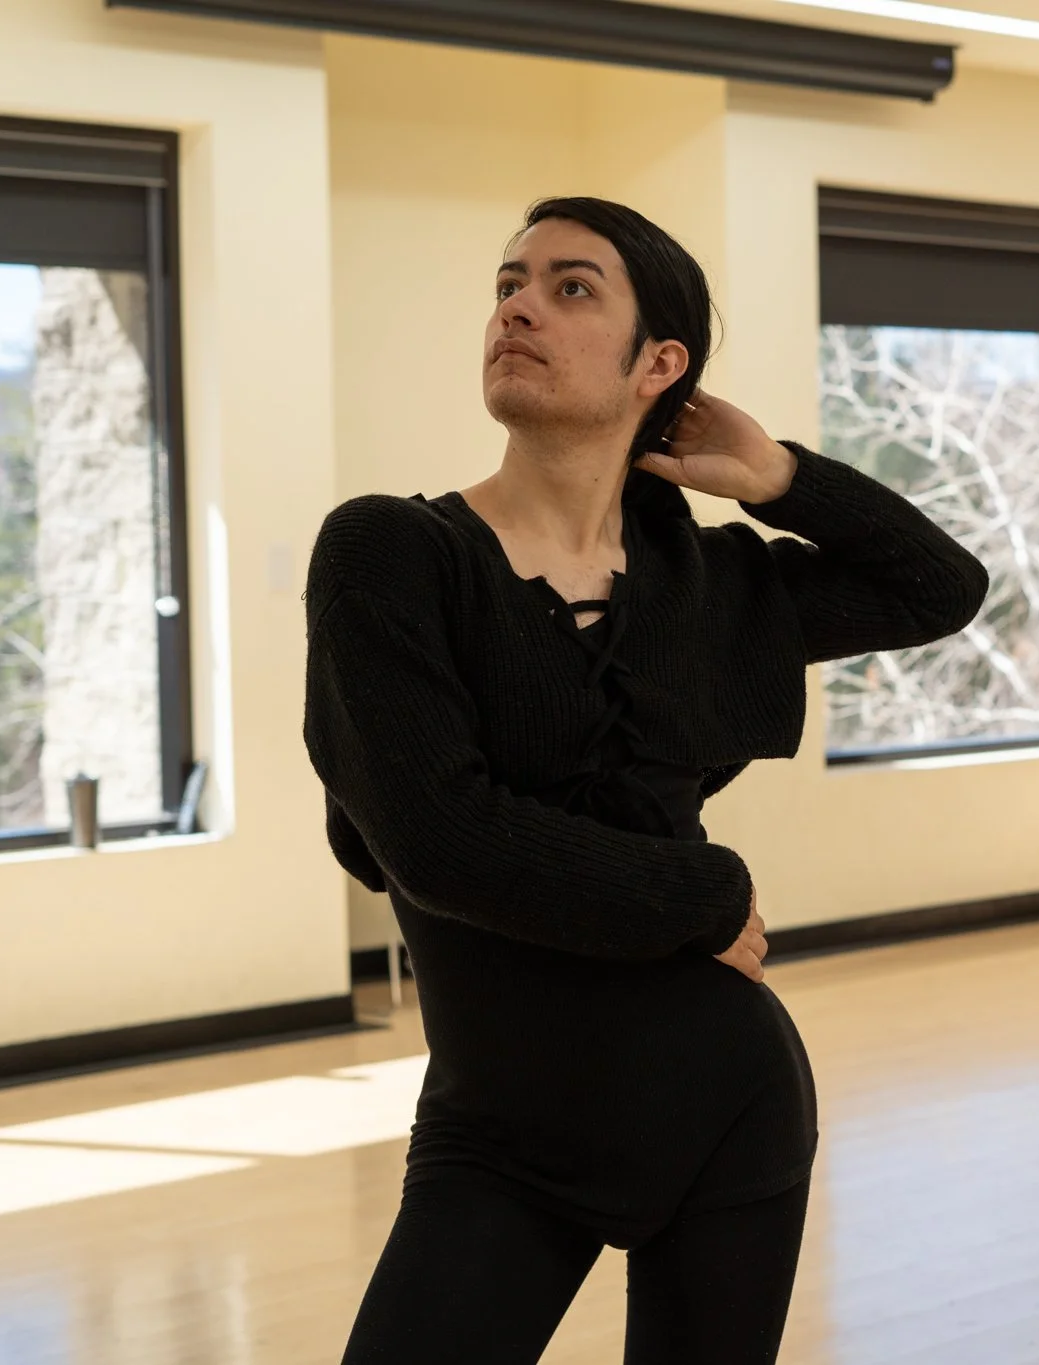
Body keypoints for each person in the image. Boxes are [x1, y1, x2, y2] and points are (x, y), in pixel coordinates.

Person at [303, 197, 986, 1364]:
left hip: (725, 1106)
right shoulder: (393, 555)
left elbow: (939, 588)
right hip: (498, 1130)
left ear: (655, 364)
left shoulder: (709, 586)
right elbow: (439, 838)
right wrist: (704, 896)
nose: (517, 304)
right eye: (509, 281)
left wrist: (775, 475)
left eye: (572, 288)